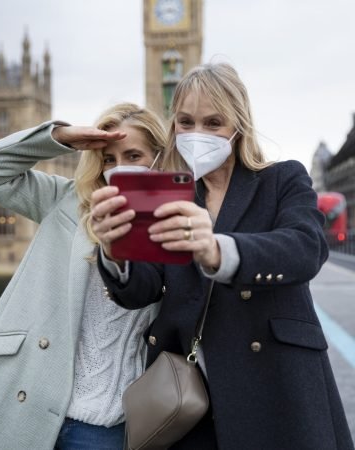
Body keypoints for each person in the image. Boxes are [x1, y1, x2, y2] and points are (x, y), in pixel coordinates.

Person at [90, 63, 355, 450]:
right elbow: (142, 289)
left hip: (280, 385)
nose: (197, 135)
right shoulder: (168, 194)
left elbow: (306, 248)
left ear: (238, 126)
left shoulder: (282, 180)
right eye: (186, 122)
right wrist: (114, 252)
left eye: (213, 123)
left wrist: (218, 249)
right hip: (197, 397)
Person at [0, 103, 166, 450]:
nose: (118, 169)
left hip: (103, 422)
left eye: (133, 156)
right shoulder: (66, 201)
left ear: (159, 159)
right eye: (109, 159)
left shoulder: (175, 224)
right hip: (26, 404)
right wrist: (57, 137)